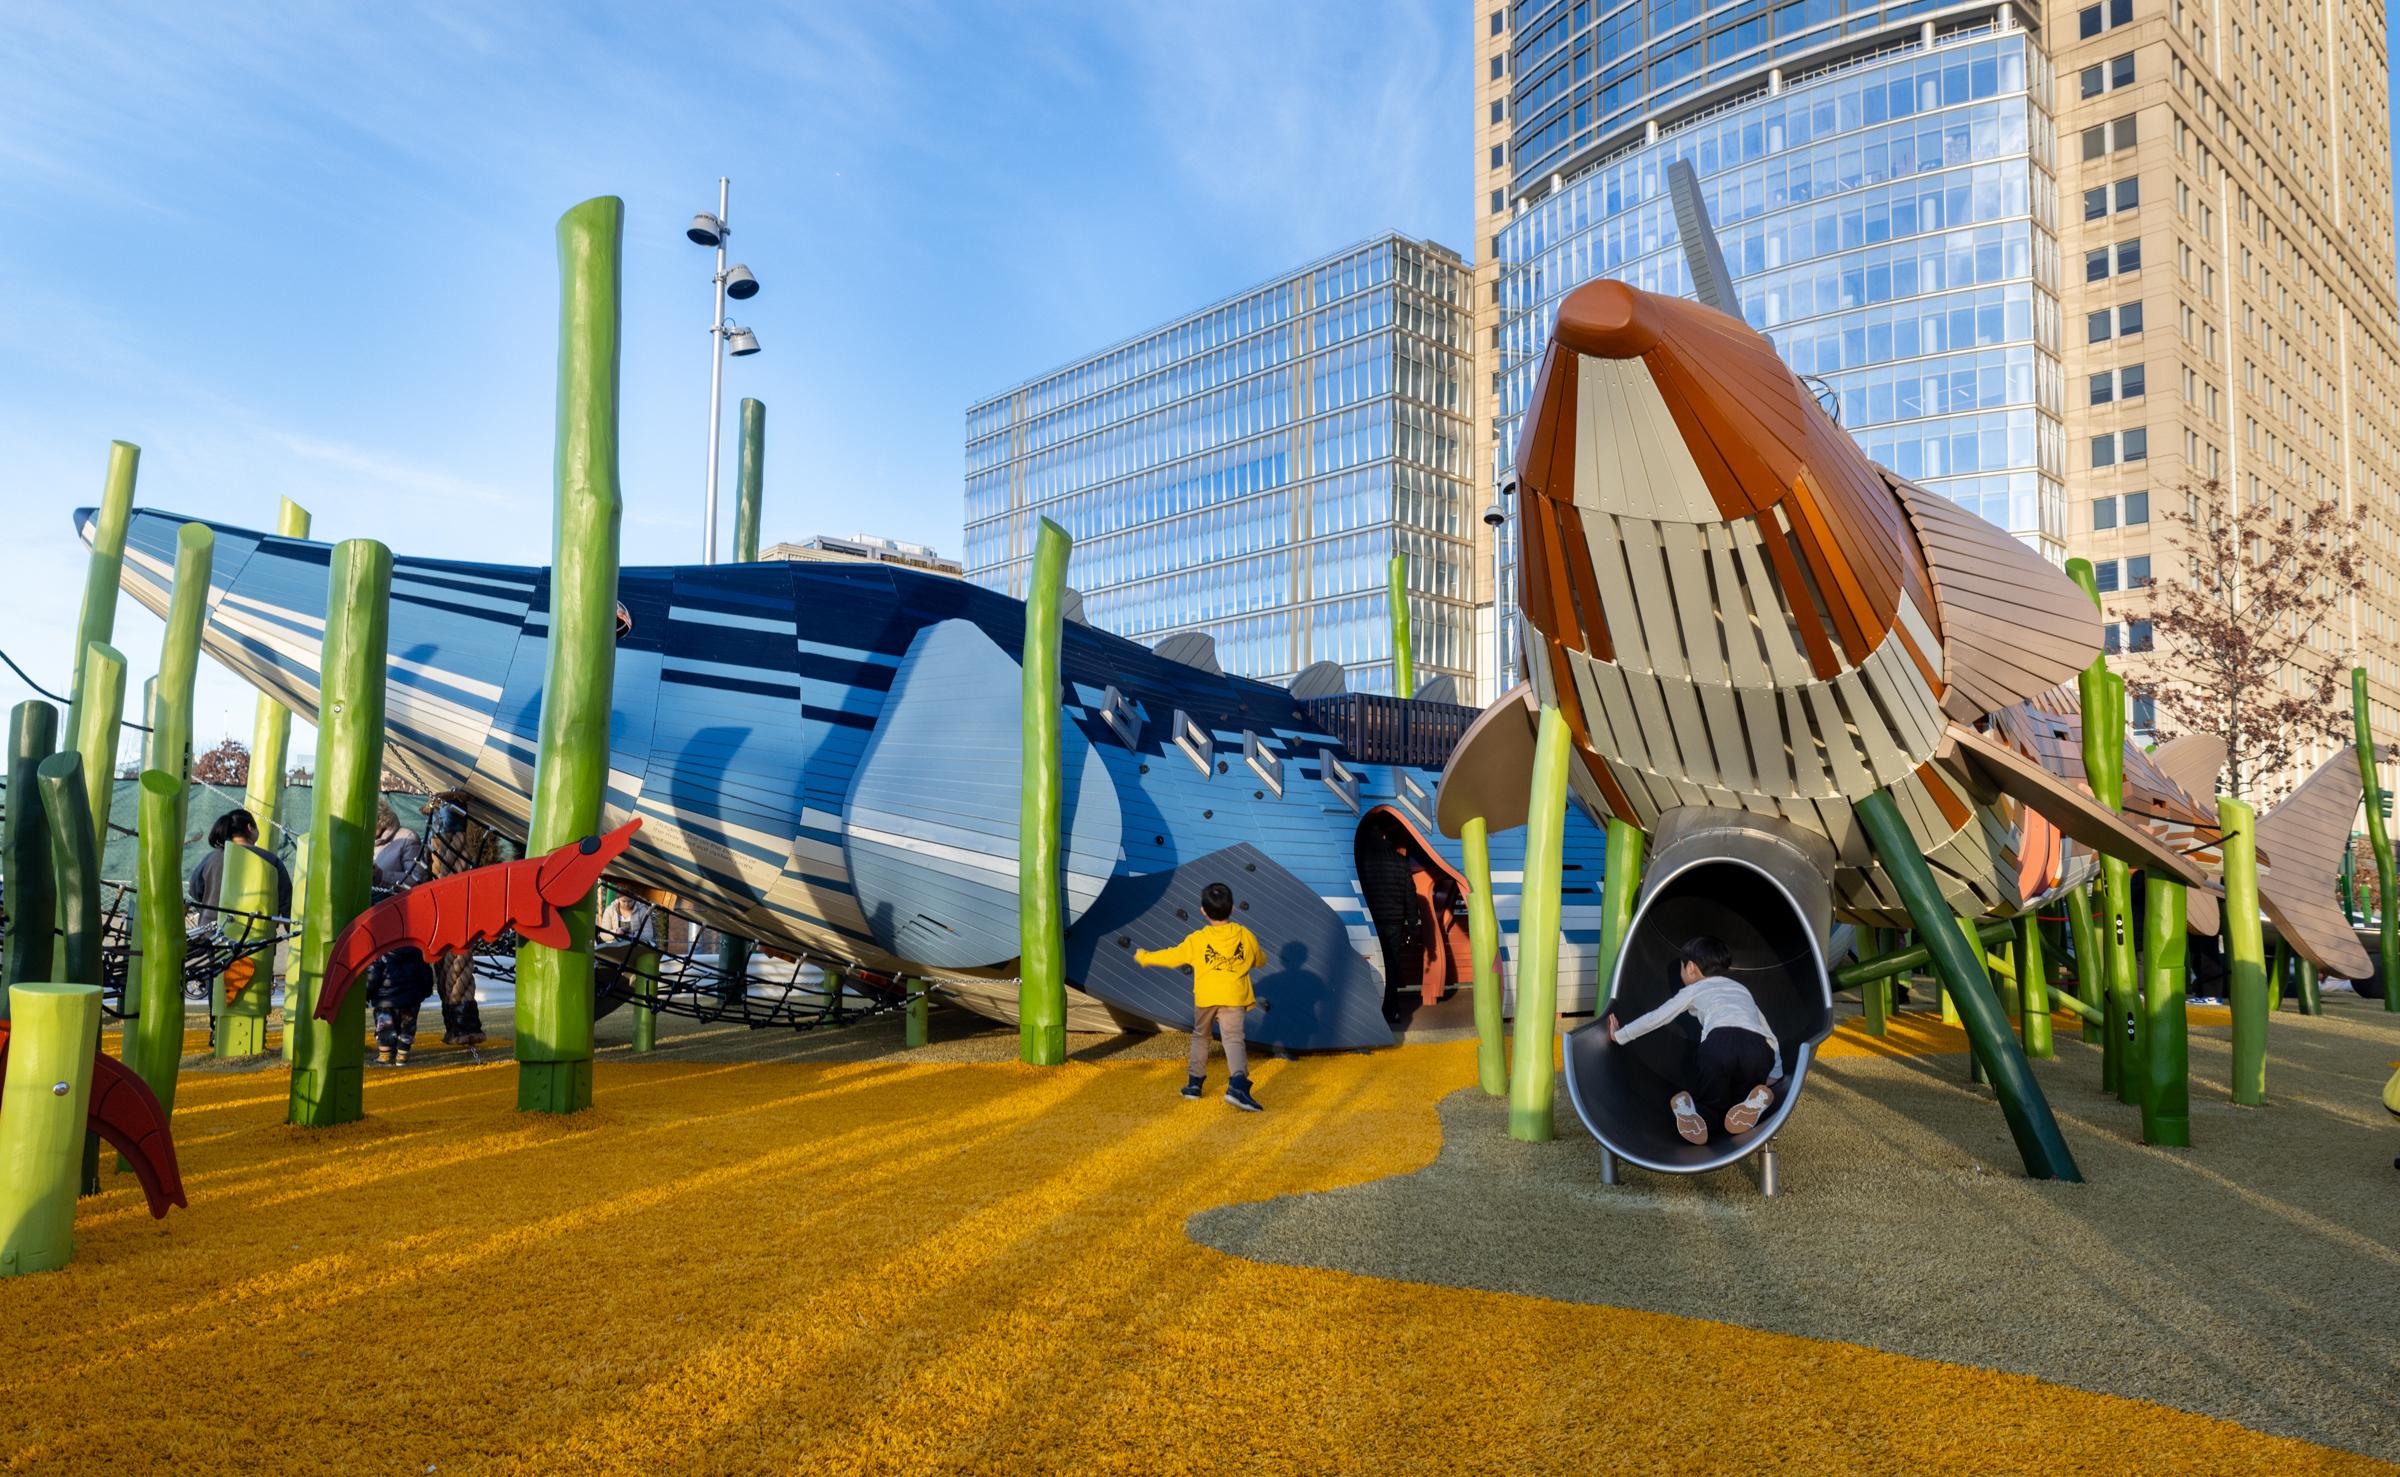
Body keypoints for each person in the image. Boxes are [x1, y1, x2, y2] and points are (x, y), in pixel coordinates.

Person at [1605, 934, 1782, 1146]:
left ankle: (1695, 1113)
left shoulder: (1693, 990)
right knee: (1742, 1097)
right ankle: (1754, 1101)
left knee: (1712, 1100)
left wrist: (1620, 1035)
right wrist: (1775, 1072)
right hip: (1756, 1047)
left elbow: (1656, 1018)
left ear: (1690, 968)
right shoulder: (1741, 989)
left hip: (1719, 1044)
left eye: (1681, 967)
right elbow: (1767, 1030)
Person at [1134, 881, 1265, 1112]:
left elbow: (1173, 956)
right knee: (1233, 1040)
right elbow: (1259, 959)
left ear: (1203, 911)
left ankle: (1194, 1084)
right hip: (1233, 997)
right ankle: (1237, 1085)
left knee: (1201, 1037)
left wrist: (1146, 957)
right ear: (1232, 908)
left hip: (1205, 998)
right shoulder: (1245, 935)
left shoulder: (1197, 939)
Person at [368, 800, 436, 1065]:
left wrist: (380, 875)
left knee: (387, 1009)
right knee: (405, 1012)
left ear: (380, 820)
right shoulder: (367, 843)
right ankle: (400, 1051)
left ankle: (388, 1052)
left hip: (398, 920)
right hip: (374, 921)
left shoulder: (407, 838)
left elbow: (416, 880)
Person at [186, 807, 295, 917]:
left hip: (211, 926)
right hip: (255, 927)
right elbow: (287, 904)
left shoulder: (210, 858)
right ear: (250, 828)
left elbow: (195, 891)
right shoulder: (271, 860)